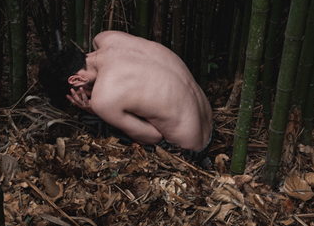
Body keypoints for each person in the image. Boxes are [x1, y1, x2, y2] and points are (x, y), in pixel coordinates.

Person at [39, 31, 214, 166]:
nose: (84, 96)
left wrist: (93, 109)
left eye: (78, 92)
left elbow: (153, 137)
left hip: (191, 151)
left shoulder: (103, 98)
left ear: (76, 80)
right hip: (208, 120)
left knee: (90, 120)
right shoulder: (106, 38)